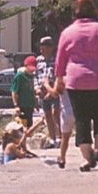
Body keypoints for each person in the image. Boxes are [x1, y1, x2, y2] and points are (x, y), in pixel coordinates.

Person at [51, 0, 98, 172]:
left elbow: (60, 60)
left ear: (74, 12)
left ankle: (87, 157)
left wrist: (59, 79)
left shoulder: (68, 33)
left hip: (77, 81)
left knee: (82, 119)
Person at [32, 37, 72, 166]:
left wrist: (52, 90)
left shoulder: (56, 60)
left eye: (46, 45)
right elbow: (36, 76)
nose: (43, 48)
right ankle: (52, 138)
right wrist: (37, 88)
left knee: (56, 113)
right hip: (43, 90)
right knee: (47, 114)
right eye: (42, 45)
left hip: (53, 89)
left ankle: (60, 137)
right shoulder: (38, 61)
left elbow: (58, 76)